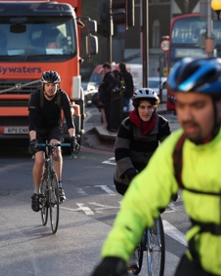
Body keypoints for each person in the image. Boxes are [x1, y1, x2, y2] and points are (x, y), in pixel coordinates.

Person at [92, 56, 221, 276]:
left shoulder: (162, 126)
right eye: (182, 105)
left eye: (198, 105)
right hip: (201, 260)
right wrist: (114, 256)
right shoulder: (178, 149)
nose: (187, 116)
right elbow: (139, 203)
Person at [113, 88, 171, 270]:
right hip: (128, 173)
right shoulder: (127, 125)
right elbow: (120, 152)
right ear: (136, 107)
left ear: (155, 108)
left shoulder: (162, 124)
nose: (146, 111)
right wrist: (132, 175)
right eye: (142, 107)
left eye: (149, 108)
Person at [28, 70, 79, 211]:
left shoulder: (62, 97)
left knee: (56, 151)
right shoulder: (35, 97)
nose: (51, 88)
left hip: (54, 128)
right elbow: (32, 122)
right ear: (43, 85)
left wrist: (73, 138)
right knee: (39, 160)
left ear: (58, 85)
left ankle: (59, 186)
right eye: (48, 85)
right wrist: (33, 141)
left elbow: (70, 121)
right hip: (39, 130)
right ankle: (37, 193)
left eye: (54, 85)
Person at [98, 62, 117, 132]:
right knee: (107, 112)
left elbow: (114, 82)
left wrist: (107, 90)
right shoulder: (107, 76)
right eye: (104, 68)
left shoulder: (109, 76)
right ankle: (109, 126)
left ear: (109, 68)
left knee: (108, 112)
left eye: (106, 68)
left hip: (107, 97)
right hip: (106, 97)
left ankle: (109, 127)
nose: (105, 70)